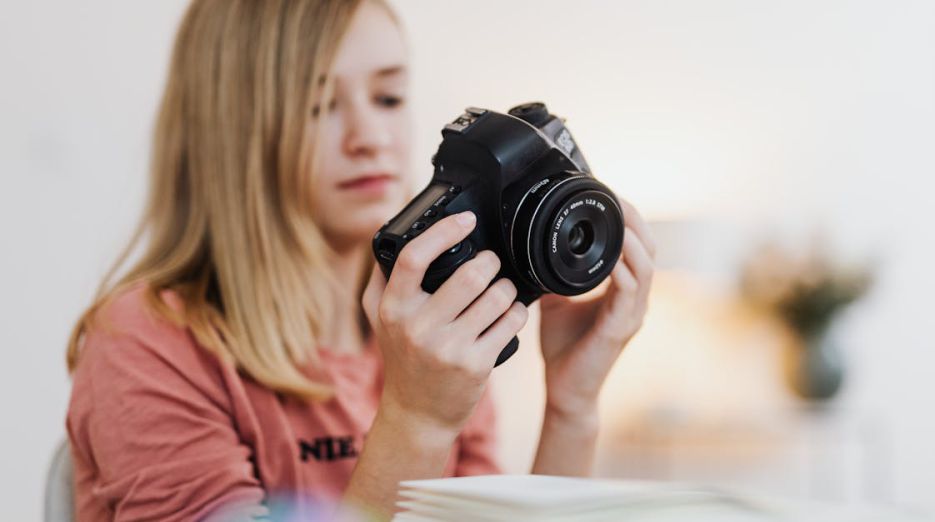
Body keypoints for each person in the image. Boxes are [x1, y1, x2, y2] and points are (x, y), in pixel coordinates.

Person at [64, 0, 656, 520]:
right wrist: (415, 419)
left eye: (388, 96)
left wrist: (571, 408)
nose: (369, 136)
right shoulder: (148, 344)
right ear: (233, 130)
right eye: (320, 104)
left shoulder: (433, 319)